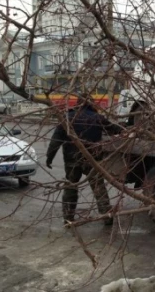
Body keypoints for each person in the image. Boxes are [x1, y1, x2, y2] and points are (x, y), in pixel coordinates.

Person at [46, 94, 125, 225]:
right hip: (93, 160)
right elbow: (113, 129)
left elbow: (55, 141)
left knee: (71, 187)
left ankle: (68, 217)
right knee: (99, 187)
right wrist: (126, 128)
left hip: (72, 160)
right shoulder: (97, 118)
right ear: (91, 104)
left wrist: (50, 157)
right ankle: (106, 215)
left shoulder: (67, 118)